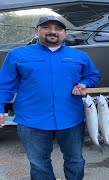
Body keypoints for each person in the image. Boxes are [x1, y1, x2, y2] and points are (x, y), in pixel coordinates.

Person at [0, 16, 101, 180]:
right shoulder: (17, 55)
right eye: (46, 27)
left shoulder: (79, 56)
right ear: (37, 30)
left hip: (71, 118)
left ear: (65, 33)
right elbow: (4, 85)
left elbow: (93, 75)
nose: (53, 31)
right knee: (39, 163)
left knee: (75, 160)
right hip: (32, 121)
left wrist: (84, 83)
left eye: (58, 28)